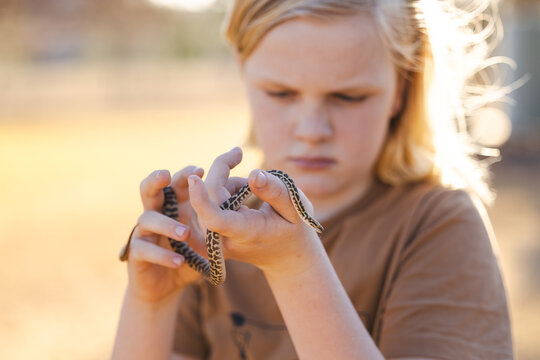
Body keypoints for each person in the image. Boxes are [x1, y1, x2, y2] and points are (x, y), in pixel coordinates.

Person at [112, 0, 514, 359]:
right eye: (281, 93)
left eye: (348, 97)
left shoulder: (438, 226)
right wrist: (151, 305)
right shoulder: (206, 230)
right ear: (242, 67)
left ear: (402, 87)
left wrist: (294, 265)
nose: (312, 129)